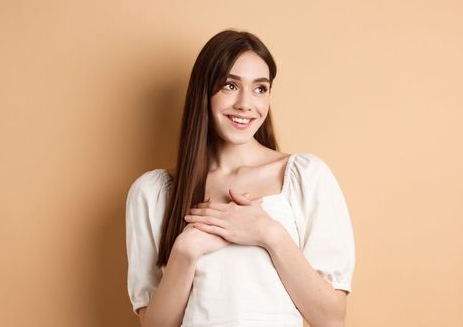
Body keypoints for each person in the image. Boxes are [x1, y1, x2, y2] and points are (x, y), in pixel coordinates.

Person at [125, 29, 355, 326]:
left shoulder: (305, 177)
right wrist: (186, 250)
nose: (246, 104)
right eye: (230, 86)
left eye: (260, 89)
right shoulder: (154, 193)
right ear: (203, 92)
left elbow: (331, 319)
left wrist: (268, 233)